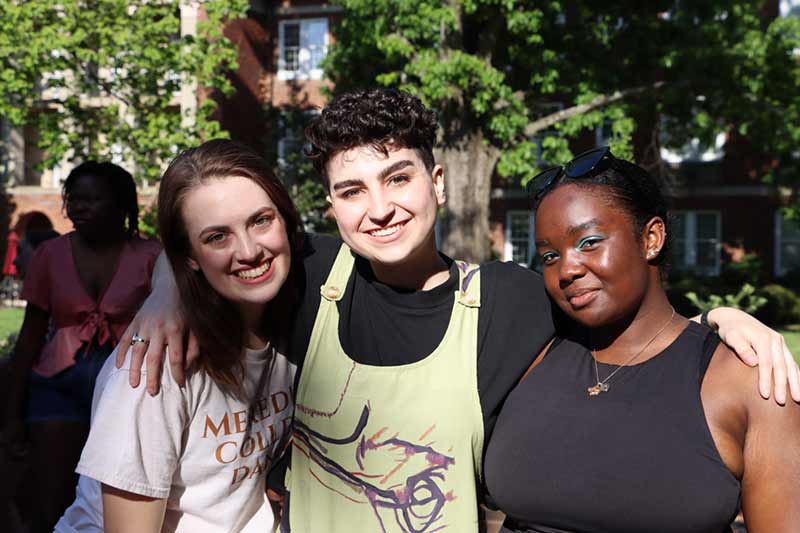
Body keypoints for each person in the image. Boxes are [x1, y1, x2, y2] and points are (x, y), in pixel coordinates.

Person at [120, 89, 800, 533]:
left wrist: (717, 321)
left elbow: (620, 302)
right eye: (351, 191)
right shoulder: (308, 277)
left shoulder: (511, 300)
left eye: (398, 177)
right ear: (329, 208)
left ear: (436, 180)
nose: (380, 207)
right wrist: (165, 289)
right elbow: (223, 243)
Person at [484, 148, 800, 532]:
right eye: (549, 256)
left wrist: (710, 323)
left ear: (651, 238)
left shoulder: (746, 383)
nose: (566, 269)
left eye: (589, 242)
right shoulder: (531, 349)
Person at [55, 140, 301, 532]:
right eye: (217, 237)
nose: (250, 250)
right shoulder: (155, 368)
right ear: (186, 256)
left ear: (286, 220)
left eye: (261, 220)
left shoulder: (296, 320)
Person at [1, 161, 161, 532]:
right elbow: (30, 335)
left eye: (94, 199)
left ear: (122, 207)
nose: (81, 208)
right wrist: (12, 416)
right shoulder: (49, 255)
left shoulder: (151, 256)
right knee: (52, 493)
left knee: (117, 493)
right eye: (75, 199)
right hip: (58, 380)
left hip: (127, 385)